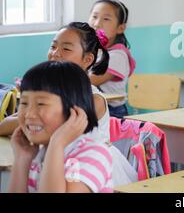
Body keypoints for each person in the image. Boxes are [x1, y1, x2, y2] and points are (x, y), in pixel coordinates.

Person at [8, 61, 113, 193]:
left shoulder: (93, 153)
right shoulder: (40, 154)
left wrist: (57, 144)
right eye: (24, 103)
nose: (29, 114)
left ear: (74, 110)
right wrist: (22, 159)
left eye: (41, 104)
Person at [88, 0, 136, 118]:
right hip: (93, 106)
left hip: (112, 112)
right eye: (94, 16)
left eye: (106, 19)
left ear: (120, 28)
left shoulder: (117, 55)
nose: (97, 23)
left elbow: (90, 80)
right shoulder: (94, 51)